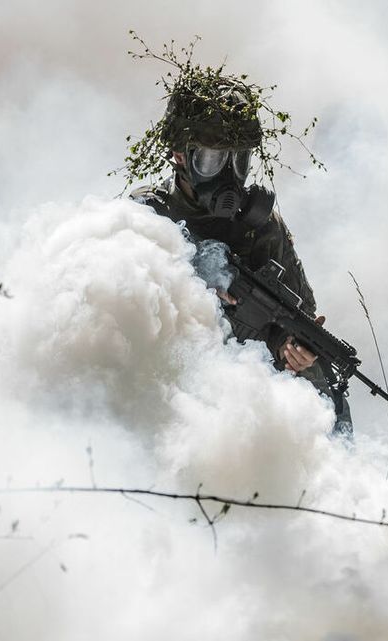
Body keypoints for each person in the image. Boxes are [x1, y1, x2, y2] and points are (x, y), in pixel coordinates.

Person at [130, 79, 354, 438]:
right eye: (213, 159)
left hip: (243, 393)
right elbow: (116, 304)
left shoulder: (262, 228)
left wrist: (289, 348)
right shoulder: (147, 216)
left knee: (323, 390)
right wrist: (191, 272)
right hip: (166, 386)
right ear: (179, 155)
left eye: (239, 160)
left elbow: (296, 316)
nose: (228, 175)